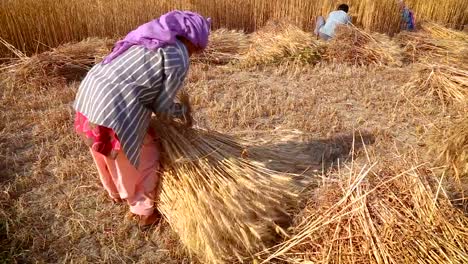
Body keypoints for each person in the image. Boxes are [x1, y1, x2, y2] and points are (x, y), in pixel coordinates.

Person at [73, 10, 211, 227]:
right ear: (195, 39)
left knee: (102, 148)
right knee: (144, 155)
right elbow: (162, 106)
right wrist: (182, 112)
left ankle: (114, 192)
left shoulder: (149, 37)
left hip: (89, 95)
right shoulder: (178, 54)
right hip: (113, 106)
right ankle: (144, 213)